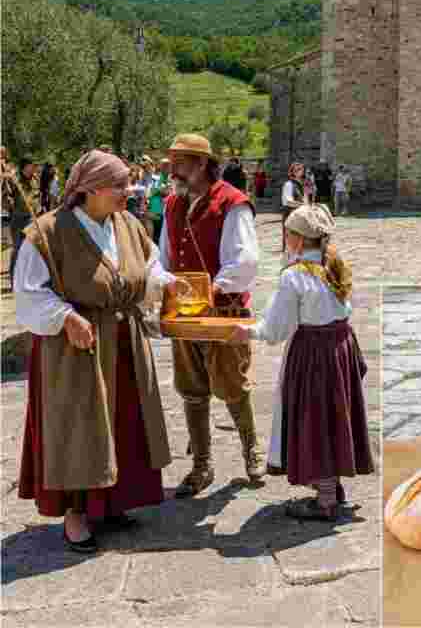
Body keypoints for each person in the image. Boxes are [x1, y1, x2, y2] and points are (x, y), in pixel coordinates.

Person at [15, 150, 182, 552]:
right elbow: (29, 294)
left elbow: (149, 265)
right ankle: (76, 514)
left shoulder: (127, 223)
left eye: (128, 182)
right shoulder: (49, 233)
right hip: (75, 350)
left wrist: (167, 282)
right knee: (79, 429)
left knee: (124, 422)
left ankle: (112, 502)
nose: (129, 191)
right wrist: (66, 318)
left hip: (125, 344)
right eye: (119, 185)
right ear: (90, 189)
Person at [230, 204, 373, 520]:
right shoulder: (334, 267)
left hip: (313, 355)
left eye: (287, 234)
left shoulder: (294, 277)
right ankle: (331, 487)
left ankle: (325, 501)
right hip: (339, 349)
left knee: (316, 420)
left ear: (294, 238)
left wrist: (248, 332)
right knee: (333, 415)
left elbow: (276, 328)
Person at [161, 134, 263, 497]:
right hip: (186, 313)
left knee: (231, 383)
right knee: (191, 388)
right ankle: (201, 465)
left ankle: (251, 449)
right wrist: (167, 286)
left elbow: (245, 259)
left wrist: (215, 289)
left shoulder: (232, 203)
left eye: (180, 162)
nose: (173, 169)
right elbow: (165, 254)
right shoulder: (172, 204)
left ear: (202, 163)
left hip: (223, 310)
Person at [5, 159, 40, 283]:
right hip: (18, 218)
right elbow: (6, 196)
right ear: (25, 167)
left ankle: (29, 279)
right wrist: (11, 204)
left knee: (32, 249)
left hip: (32, 218)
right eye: (32, 166)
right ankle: (14, 279)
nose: (34, 168)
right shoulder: (14, 180)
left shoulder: (35, 180)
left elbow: (37, 196)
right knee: (18, 248)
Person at [281, 163, 306, 253]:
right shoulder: (288, 184)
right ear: (292, 172)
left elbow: (303, 199)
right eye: (296, 169)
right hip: (290, 214)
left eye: (300, 169)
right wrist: (303, 205)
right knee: (290, 240)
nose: (299, 171)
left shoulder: (301, 184)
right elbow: (288, 201)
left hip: (299, 214)